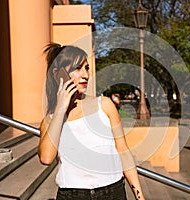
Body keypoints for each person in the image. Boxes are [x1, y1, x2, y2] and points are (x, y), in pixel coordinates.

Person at [38, 43, 145, 200]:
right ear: (58, 74)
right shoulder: (51, 120)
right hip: (72, 195)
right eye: (77, 68)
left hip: (113, 192)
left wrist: (139, 196)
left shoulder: (104, 105)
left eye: (86, 68)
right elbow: (46, 158)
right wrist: (60, 109)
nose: (85, 75)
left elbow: (123, 151)